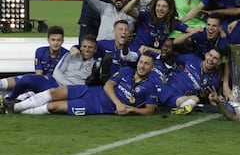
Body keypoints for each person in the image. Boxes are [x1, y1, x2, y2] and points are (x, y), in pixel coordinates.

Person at [4, 52, 157, 116]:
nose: (142, 66)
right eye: (141, 62)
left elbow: (149, 110)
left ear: (152, 67)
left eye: (147, 64)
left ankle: (18, 111)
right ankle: (15, 107)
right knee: (55, 92)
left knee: (54, 106)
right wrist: (118, 103)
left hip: (97, 107)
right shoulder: (126, 71)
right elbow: (108, 85)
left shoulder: (151, 86)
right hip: (92, 91)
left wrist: (131, 110)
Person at [2, 35, 98, 104]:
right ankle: (9, 99)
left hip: (71, 90)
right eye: (84, 46)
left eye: (90, 47)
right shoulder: (69, 55)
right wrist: (62, 85)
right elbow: (58, 71)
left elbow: (90, 82)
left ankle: (16, 104)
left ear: (95, 49)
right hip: (54, 83)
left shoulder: (96, 64)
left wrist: (67, 87)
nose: (87, 49)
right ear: (80, 47)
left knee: (34, 97)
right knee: (27, 79)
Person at [0, 26, 68, 93]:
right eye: (53, 40)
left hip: (56, 84)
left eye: (58, 40)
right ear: (48, 40)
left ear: (63, 41)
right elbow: (38, 74)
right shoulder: (40, 51)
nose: (56, 43)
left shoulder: (67, 55)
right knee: (25, 79)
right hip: (40, 80)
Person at [156, 47, 223, 114]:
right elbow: (173, 59)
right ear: (206, 55)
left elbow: (209, 101)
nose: (211, 59)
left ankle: (180, 110)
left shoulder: (213, 81)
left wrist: (212, 101)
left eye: (215, 58)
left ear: (219, 62)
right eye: (210, 55)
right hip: (168, 87)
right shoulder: (192, 58)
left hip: (179, 98)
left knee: (196, 99)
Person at [124, 0, 195, 54]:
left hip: (153, 55)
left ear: (169, 9)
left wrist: (198, 30)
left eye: (164, 6)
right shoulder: (146, 15)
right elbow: (127, 10)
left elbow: (190, 30)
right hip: (134, 50)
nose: (160, 9)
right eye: (158, 5)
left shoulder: (172, 22)